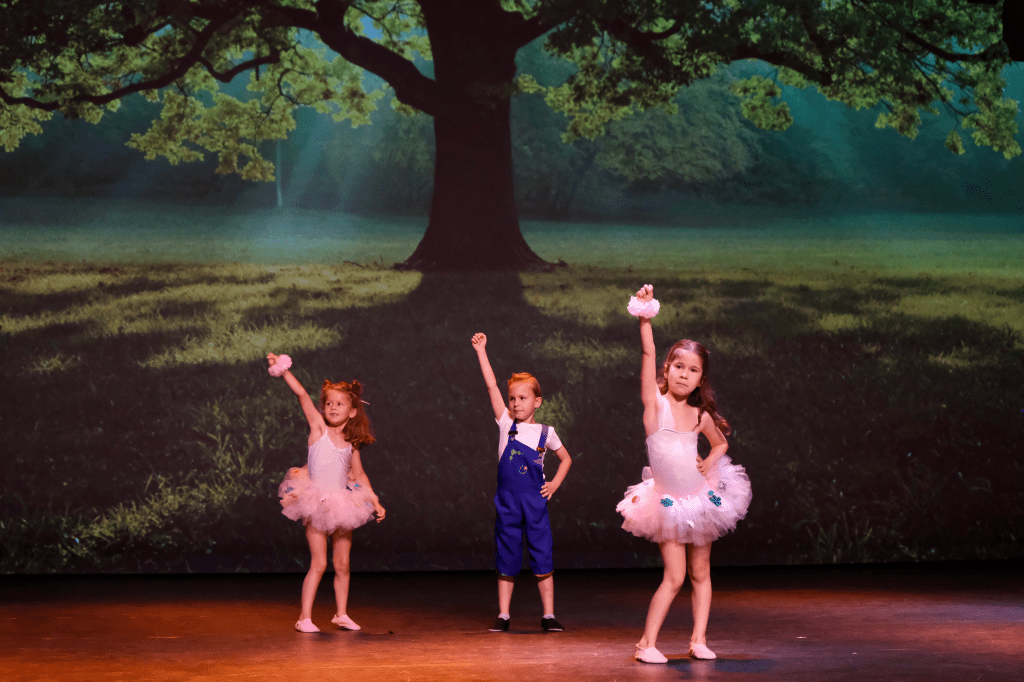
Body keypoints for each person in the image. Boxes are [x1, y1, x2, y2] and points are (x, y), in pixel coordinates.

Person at [616, 285, 752, 663]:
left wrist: (710, 461)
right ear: (667, 369)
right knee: (674, 576)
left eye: (693, 370)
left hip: (701, 500)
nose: (684, 374)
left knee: (701, 572)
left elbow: (720, 443)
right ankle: (646, 644)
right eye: (678, 367)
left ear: (700, 378)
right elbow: (647, 352)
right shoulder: (654, 405)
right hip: (668, 504)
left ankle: (698, 640)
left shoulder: (699, 414)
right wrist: (645, 316)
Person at [268, 352, 386, 634]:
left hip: (343, 505)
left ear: (352, 411)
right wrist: (283, 370)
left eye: (339, 404)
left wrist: (374, 501)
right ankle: (304, 618)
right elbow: (302, 396)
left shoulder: (351, 444)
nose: (333, 407)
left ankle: (341, 614)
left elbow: (359, 476)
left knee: (342, 564)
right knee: (319, 563)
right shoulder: (318, 428)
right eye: (329, 403)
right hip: (316, 503)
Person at [471, 333, 573, 633]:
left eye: (522, 398)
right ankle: (503, 614)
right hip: (508, 502)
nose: (515, 404)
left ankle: (549, 615)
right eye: (512, 398)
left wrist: (554, 484)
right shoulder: (506, 424)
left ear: (537, 401)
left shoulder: (546, 433)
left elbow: (566, 459)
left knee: (542, 554)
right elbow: (491, 385)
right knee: (507, 554)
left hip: (534, 502)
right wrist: (481, 350)